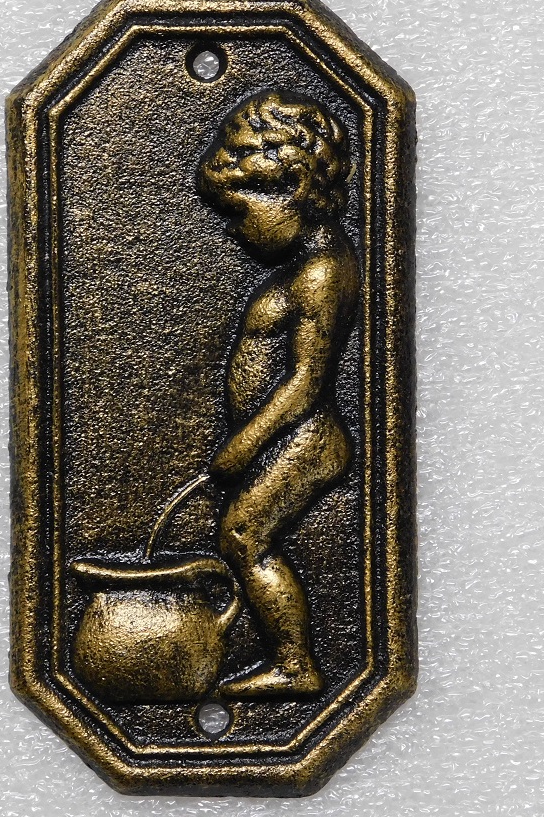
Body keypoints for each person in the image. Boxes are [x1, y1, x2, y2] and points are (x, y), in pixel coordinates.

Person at [199, 90, 359, 699]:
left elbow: (306, 382)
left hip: (305, 439)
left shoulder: (321, 273)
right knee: (243, 537)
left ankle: (296, 664)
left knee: (244, 538)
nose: (234, 230)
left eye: (241, 213)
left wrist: (243, 445)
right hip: (284, 440)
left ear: (290, 188)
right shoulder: (309, 267)